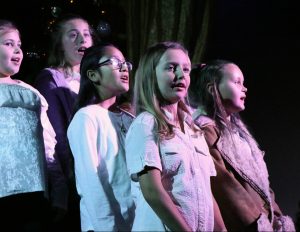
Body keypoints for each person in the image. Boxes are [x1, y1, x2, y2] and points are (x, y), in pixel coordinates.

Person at [188, 59, 296, 231]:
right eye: (237, 82)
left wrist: (277, 218)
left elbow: (263, 186)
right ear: (212, 88)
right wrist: (256, 223)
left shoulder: (241, 136)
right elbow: (224, 186)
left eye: (243, 83)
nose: (244, 88)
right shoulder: (205, 132)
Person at [125, 41, 219, 231]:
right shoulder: (145, 124)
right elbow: (152, 191)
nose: (180, 75)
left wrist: (221, 229)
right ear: (151, 75)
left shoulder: (194, 130)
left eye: (185, 69)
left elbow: (206, 190)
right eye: (171, 67)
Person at [34, 13, 97, 230]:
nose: (82, 40)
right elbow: (56, 132)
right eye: (73, 35)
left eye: (86, 34)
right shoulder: (51, 78)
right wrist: (69, 178)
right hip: (75, 173)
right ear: (60, 45)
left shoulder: (95, 79)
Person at [67, 43, 135, 231]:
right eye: (114, 62)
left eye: (125, 63)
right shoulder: (87, 117)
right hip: (104, 225)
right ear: (93, 75)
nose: (123, 68)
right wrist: (108, 227)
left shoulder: (129, 118)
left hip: (135, 222)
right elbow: (90, 180)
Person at [0, 19, 57, 231]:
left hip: (33, 192)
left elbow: (49, 145)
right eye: (8, 43)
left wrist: (57, 190)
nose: (17, 50)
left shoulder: (32, 93)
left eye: (19, 45)